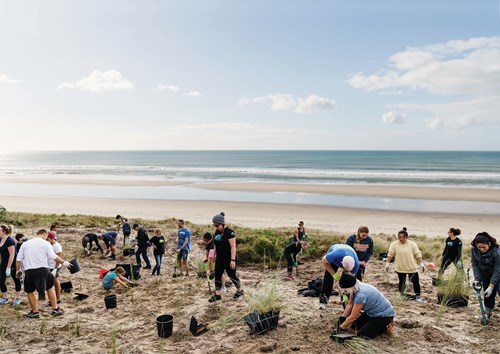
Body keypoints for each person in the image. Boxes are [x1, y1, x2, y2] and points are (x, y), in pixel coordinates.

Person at [15, 229, 71, 318]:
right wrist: (63, 262)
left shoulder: (25, 244)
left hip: (29, 271)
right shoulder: (46, 243)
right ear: (45, 234)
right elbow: (53, 256)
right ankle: (55, 309)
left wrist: (18, 271)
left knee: (30, 291)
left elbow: (18, 260)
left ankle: (35, 312)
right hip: (43, 270)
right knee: (49, 288)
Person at [334, 273, 394, 339]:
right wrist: (341, 320)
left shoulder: (360, 295)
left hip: (384, 315)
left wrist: (340, 328)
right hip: (371, 312)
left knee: (362, 335)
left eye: (345, 290)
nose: (343, 292)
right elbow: (349, 305)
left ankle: (385, 326)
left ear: (350, 288)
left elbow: (352, 317)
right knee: (354, 327)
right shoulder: (355, 287)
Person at [208, 212, 244, 302]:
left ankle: (240, 291)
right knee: (218, 275)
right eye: (215, 225)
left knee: (232, 275)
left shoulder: (230, 232)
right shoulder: (216, 232)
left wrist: (233, 260)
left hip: (229, 258)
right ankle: (217, 295)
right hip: (219, 258)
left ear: (222, 224)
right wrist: (212, 256)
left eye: (217, 225)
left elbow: (233, 247)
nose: (216, 227)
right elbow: (215, 245)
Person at [385, 227, 425, 303]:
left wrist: (421, 264)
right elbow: (390, 254)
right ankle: (401, 295)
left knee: (416, 282)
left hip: (411, 267)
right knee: (402, 282)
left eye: (403, 237)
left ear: (406, 237)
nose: (401, 239)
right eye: (399, 237)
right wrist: (387, 263)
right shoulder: (394, 244)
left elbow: (417, 254)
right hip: (400, 267)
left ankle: (418, 297)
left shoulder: (412, 244)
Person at [319, 244, 360, 310]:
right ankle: (323, 301)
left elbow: (348, 283)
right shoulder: (334, 255)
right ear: (341, 263)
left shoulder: (356, 265)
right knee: (328, 278)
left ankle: (348, 302)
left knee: (349, 282)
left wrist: (344, 293)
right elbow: (324, 261)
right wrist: (334, 274)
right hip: (335, 252)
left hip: (348, 254)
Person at [471, 232, 499, 319]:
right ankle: (488, 314)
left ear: (489, 244)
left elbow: (498, 270)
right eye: (479, 247)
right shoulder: (474, 250)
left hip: (498, 273)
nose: (481, 249)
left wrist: (491, 286)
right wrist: (477, 279)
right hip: (485, 274)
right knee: (488, 294)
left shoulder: (496, 252)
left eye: (484, 247)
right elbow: (475, 265)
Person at [0, 225, 22, 306]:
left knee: (16, 280)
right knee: (1, 280)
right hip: (3, 263)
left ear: (4, 231)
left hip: (12, 263)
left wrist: (8, 267)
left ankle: (18, 298)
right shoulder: (0, 239)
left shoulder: (10, 241)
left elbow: (12, 255)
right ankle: (5, 298)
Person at [46, 232, 62, 305]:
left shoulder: (57, 246)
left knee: (55, 281)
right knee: (51, 282)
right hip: (48, 266)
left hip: (55, 266)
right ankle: (53, 299)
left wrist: (55, 269)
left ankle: (58, 299)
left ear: (52, 238)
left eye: (48, 239)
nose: (46, 240)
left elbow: (59, 259)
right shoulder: (47, 244)